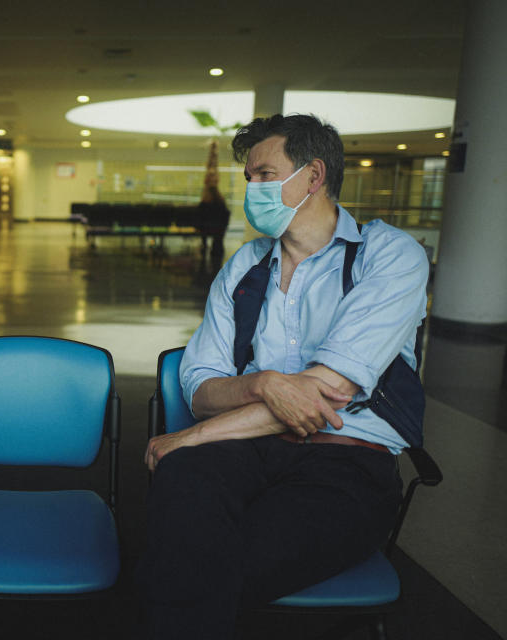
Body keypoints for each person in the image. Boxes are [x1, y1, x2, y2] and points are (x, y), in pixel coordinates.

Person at [138, 114, 428, 638]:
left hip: (347, 458)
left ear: (313, 176)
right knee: (183, 491)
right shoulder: (245, 266)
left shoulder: (388, 256)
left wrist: (191, 437)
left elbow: (332, 391)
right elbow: (201, 387)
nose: (251, 188)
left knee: (199, 560)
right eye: (247, 178)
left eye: (263, 173)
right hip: (244, 450)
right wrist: (263, 382)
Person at [197, 184, 230, 272]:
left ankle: (204, 247)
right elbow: (226, 216)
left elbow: (199, 217)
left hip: (206, 228)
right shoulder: (221, 204)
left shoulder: (204, 204)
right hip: (218, 229)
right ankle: (216, 259)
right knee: (218, 242)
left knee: (204, 229)